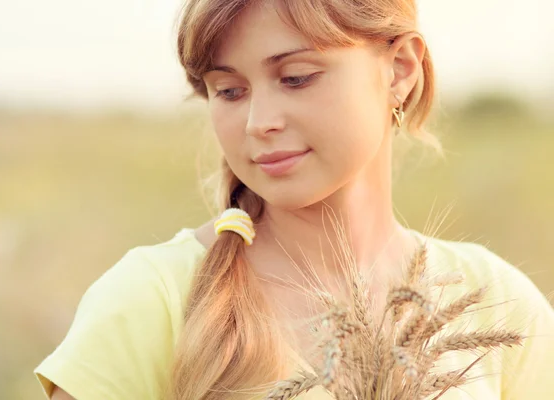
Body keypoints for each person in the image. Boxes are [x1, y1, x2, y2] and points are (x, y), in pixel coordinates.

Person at [34, 0, 554, 399]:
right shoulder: (152, 298)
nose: (260, 122)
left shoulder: (498, 304)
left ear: (400, 69)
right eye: (229, 91)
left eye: (296, 77)